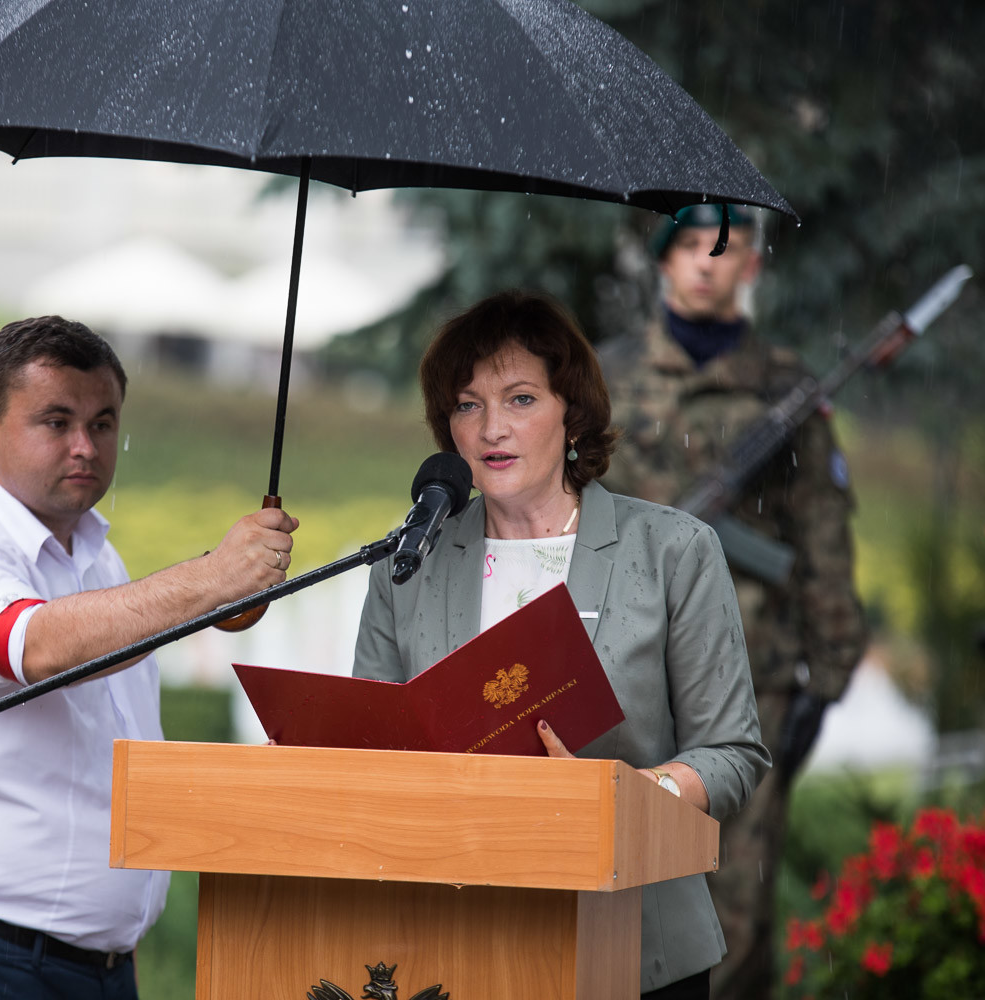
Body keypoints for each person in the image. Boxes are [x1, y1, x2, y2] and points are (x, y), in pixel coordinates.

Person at [0, 315, 299, 999]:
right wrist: (213, 578)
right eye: (56, 422)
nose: (85, 446)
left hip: (91, 966)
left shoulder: (97, 559)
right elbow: (34, 647)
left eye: (103, 423)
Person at [353, 290, 771, 999]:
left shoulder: (672, 550)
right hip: (452, 941)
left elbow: (732, 753)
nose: (492, 428)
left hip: (635, 942)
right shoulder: (409, 564)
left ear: (571, 414)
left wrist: (623, 798)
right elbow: (371, 748)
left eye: (520, 399)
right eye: (467, 405)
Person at [597, 204, 869, 1000]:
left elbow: (821, 531)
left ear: (752, 264)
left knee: (738, 894)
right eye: (688, 245)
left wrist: (829, 674)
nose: (705, 262)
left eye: (725, 248)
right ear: (664, 261)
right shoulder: (607, 377)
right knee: (618, 877)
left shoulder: (787, 389)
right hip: (629, 670)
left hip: (753, 676)